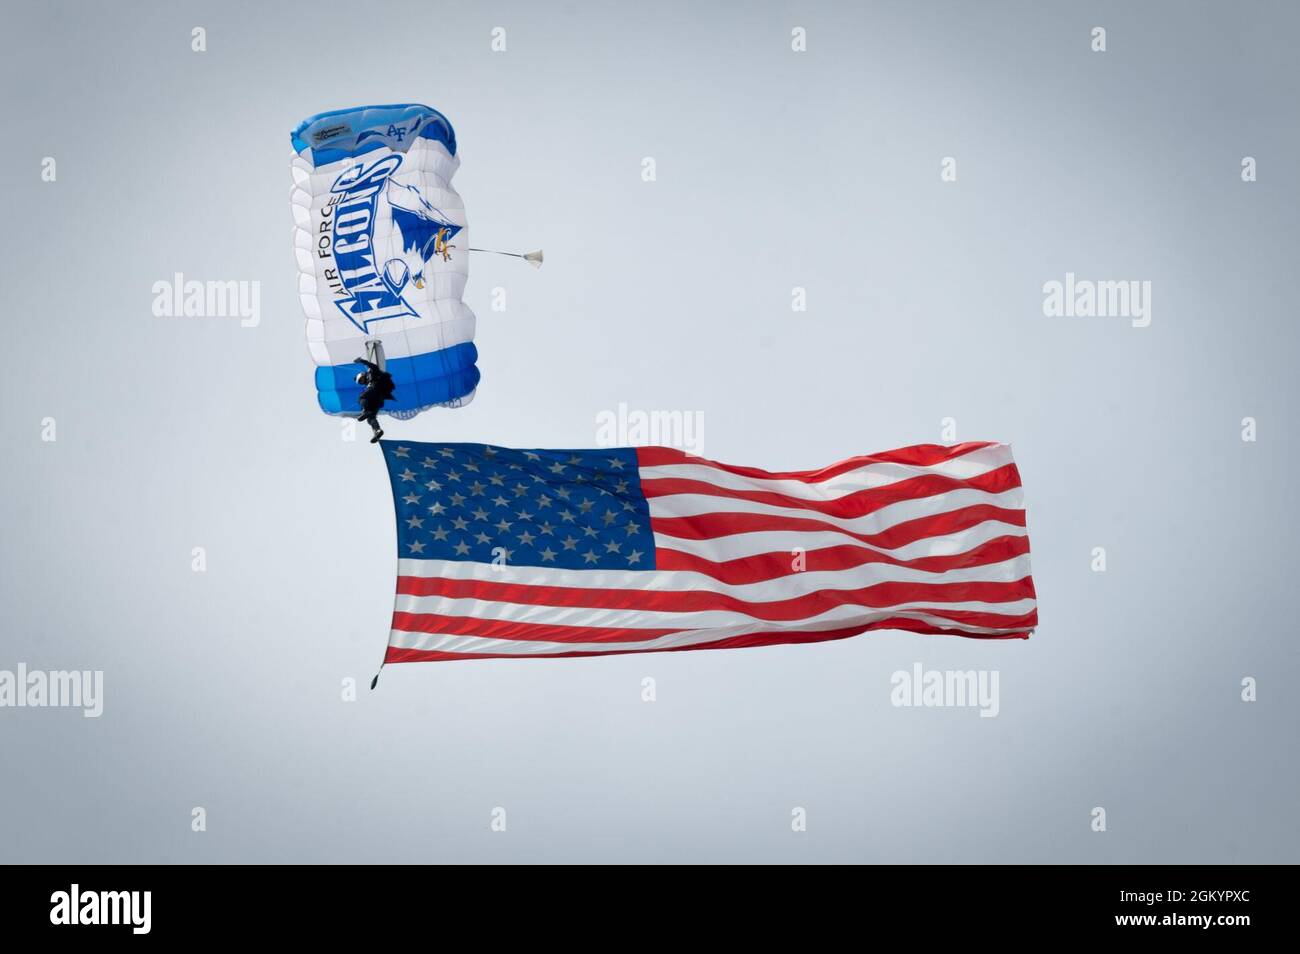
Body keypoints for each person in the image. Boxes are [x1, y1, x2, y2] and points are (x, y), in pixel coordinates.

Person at [354, 356, 396, 443]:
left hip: (376, 389)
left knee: (361, 397)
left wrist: (362, 361)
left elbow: (374, 366)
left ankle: (365, 411)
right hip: (378, 400)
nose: (363, 382)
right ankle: (377, 430)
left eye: (361, 380)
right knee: (370, 418)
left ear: (363, 375)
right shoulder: (368, 383)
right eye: (361, 382)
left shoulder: (371, 373)